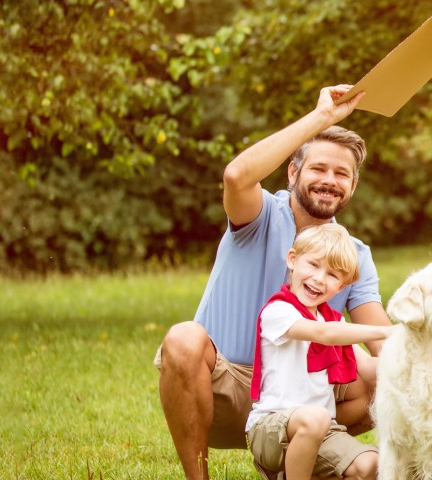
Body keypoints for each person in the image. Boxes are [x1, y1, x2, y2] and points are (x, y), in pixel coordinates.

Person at [156, 85, 393, 480]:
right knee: (183, 338)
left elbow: (383, 341)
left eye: (342, 174)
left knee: (382, 379)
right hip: (225, 387)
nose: (329, 180)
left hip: (303, 395)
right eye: (318, 168)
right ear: (293, 171)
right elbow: (235, 175)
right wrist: (322, 118)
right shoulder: (260, 215)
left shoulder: (353, 253)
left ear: (352, 186)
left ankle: (294, 465)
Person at [247, 223, 395, 480]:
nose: (319, 279)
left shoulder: (334, 321)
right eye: (313, 265)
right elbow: (322, 334)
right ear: (293, 260)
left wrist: (416, 354)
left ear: (341, 287)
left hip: (323, 431)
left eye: (332, 275)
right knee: (315, 417)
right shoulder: (278, 311)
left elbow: (370, 368)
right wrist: (385, 332)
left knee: (372, 465)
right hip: (270, 429)